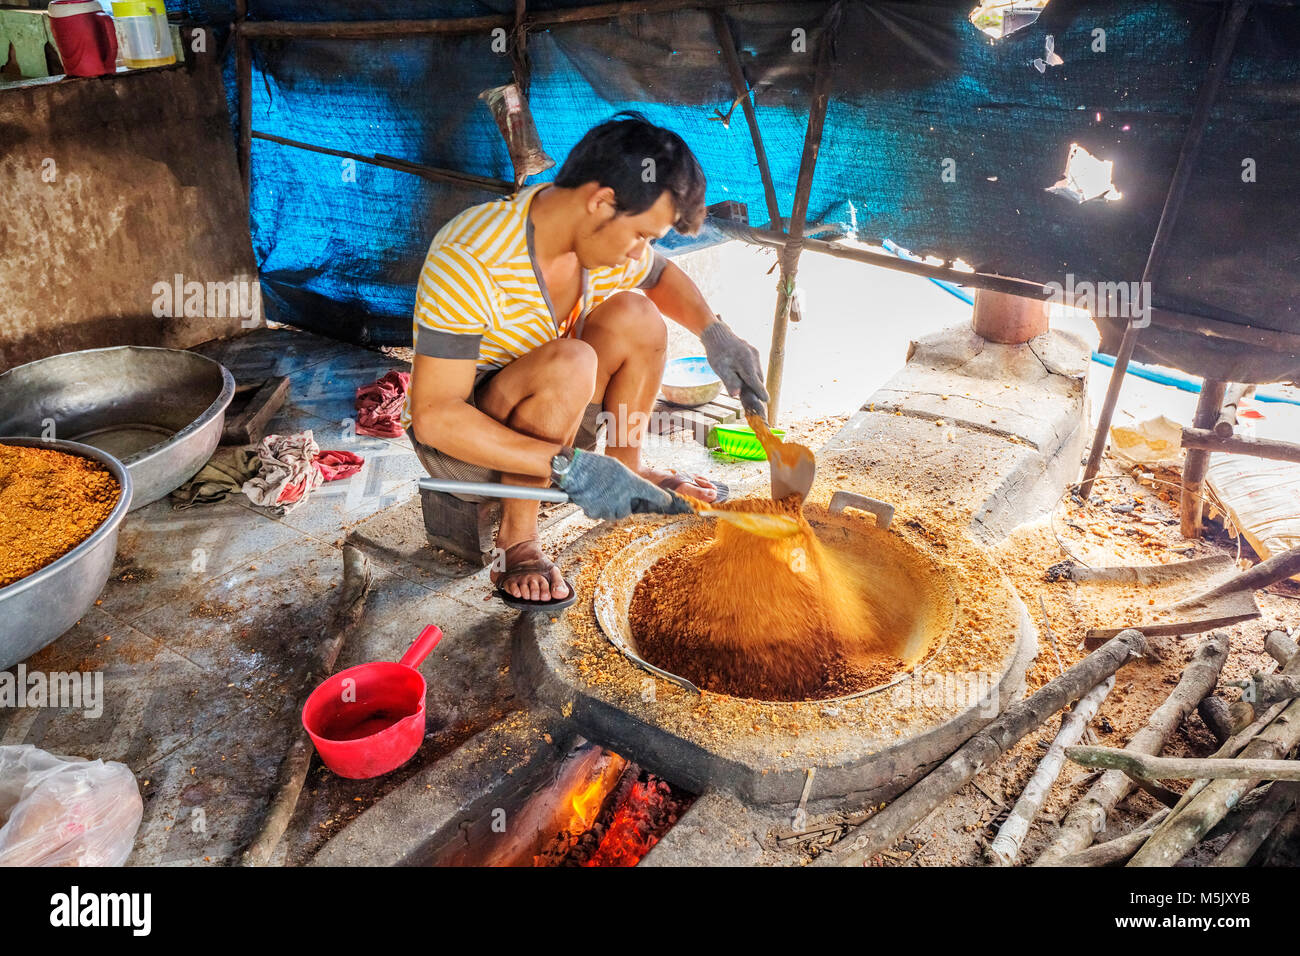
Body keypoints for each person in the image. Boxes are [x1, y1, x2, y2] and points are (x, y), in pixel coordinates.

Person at [403, 111, 768, 608]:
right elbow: (434, 416)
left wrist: (715, 332)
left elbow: (659, 278)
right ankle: (519, 541)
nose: (642, 249)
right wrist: (565, 465)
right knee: (572, 360)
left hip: (557, 414)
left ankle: (626, 472)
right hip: (466, 450)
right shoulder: (471, 256)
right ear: (600, 201)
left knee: (637, 314)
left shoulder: (601, 243)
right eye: (642, 233)